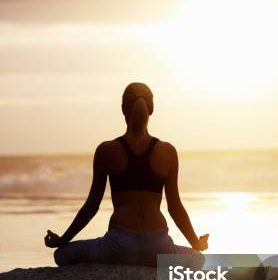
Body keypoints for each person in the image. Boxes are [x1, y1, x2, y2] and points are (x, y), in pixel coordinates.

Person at [44, 83, 209, 266]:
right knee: (197, 259)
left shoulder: (106, 150)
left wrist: (63, 240)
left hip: (119, 245)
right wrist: (196, 242)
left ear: (123, 110)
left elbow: (92, 205)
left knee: (62, 255)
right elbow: (175, 207)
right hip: (158, 247)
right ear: (151, 109)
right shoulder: (167, 151)